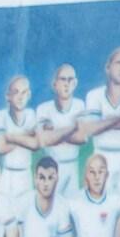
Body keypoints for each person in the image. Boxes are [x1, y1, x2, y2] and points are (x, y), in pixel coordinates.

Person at [83, 47, 120, 201]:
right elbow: (91, 128)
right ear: (108, 68)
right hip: (101, 156)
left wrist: (104, 121)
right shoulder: (94, 95)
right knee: (100, 203)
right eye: (118, 63)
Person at [0, 74, 41, 223]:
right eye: (16, 92)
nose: (20, 97)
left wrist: (11, 137)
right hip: (5, 177)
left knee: (24, 223)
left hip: (25, 176)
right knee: (3, 222)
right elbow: (0, 147)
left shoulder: (31, 115)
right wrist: (26, 134)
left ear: (29, 95)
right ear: (8, 96)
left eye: (24, 92)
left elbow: (35, 144)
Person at [34, 63, 85, 201]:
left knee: (71, 209)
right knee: (50, 208)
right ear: (54, 83)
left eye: (70, 80)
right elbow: (45, 139)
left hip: (72, 167)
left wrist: (55, 131)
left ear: (75, 83)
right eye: (63, 79)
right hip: (50, 169)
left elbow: (82, 137)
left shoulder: (80, 106)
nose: (66, 84)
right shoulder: (43, 109)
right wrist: (72, 128)